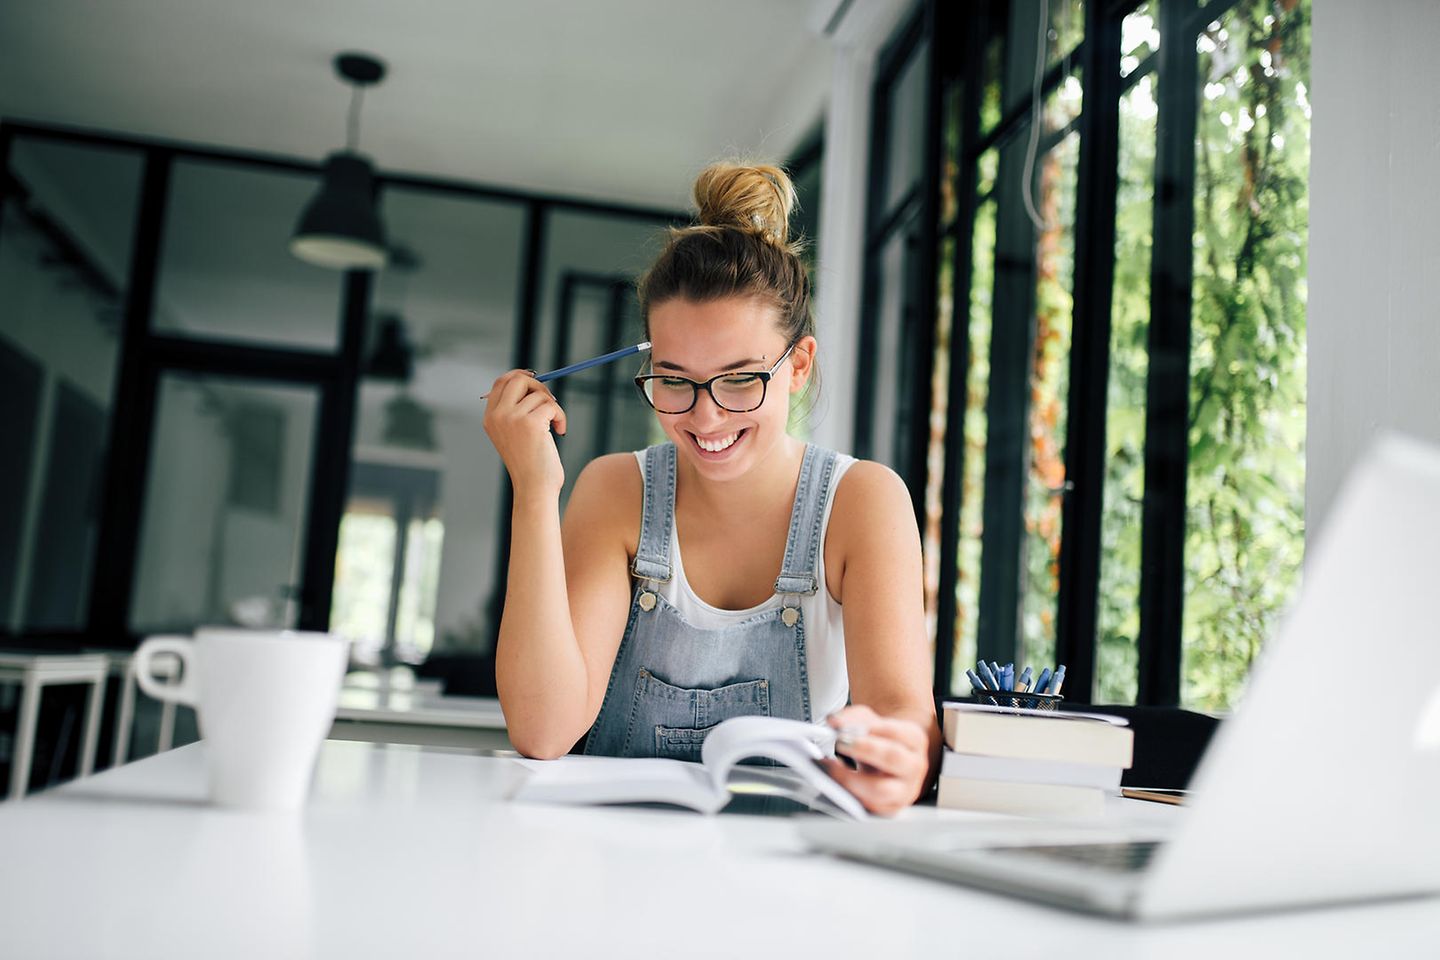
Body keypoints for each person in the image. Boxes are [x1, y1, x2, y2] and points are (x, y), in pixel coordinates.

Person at [483, 162, 940, 814]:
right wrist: (534, 490)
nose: (705, 416)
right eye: (674, 380)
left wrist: (903, 758)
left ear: (799, 366)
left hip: (783, 884)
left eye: (738, 379)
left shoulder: (862, 502)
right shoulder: (616, 490)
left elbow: (901, 714)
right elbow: (543, 731)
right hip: (612, 874)